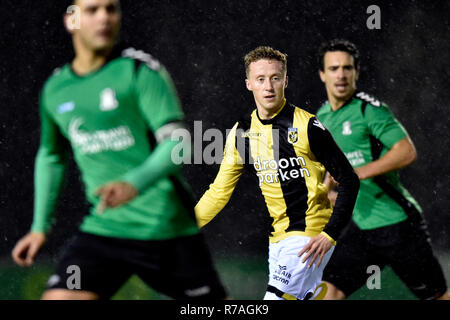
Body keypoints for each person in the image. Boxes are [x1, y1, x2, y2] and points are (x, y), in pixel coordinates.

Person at [11, 0, 227, 300]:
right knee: (63, 296)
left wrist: (133, 183)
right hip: (104, 231)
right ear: (71, 21)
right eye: (93, 10)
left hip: (165, 231)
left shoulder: (139, 71)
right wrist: (39, 227)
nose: (104, 18)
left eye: (111, 9)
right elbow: (51, 155)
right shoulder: (56, 88)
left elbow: (179, 142)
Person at [195, 46, 360, 300]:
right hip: (278, 239)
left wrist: (330, 233)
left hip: (309, 235)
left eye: (275, 78)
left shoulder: (308, 126)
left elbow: (349, 179)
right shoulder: (241, 134)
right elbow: (218, 192)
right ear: (249, 84)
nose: (268, 87)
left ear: (286, 80)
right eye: (261, 79)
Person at [315, 39, 449, 300]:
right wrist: (329, 192)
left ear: (357, 72)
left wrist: (358, 173)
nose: (341, 75)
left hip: (398, 226)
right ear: (322, 74)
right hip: (362, 229)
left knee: (437, 297)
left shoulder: (370, 111)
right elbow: (330, 169)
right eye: (333, 68)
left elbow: (406, 151)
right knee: (326, 292)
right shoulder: (322, 117)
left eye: (347, 68)